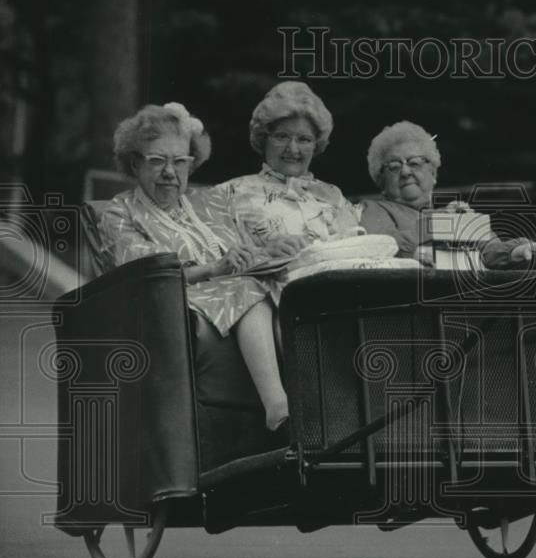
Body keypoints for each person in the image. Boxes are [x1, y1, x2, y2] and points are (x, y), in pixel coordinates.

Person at [99, 102, 290, 433]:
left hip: (233, 291)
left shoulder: (209, 201)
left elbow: (242, 251)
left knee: (289, 286)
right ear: (134, 163)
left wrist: (267, 252)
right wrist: (213, 270)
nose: (170, 172)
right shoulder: (120, 214)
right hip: (172, 301)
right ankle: (278, 406)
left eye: (180, 161)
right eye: (157, 161)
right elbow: (144, 275)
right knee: (245, 287)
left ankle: (312, 398)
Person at [359, 120, 536, 268]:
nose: (405, 172)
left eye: (415, 162)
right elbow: (380, 245)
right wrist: (437, 224)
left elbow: (491, 250)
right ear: (381, 181)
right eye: (394, 166)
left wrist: (520, 250)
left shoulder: (452, 214)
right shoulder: (373, 208)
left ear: (433, 174)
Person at [219, 81, 363, 262]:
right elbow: (213, 262)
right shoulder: (229, 193)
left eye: (304, 139)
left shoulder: (333, 195)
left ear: (316, 145)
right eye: (281, 137)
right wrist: (263, 253)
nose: (293, 149)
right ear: (264, 139)